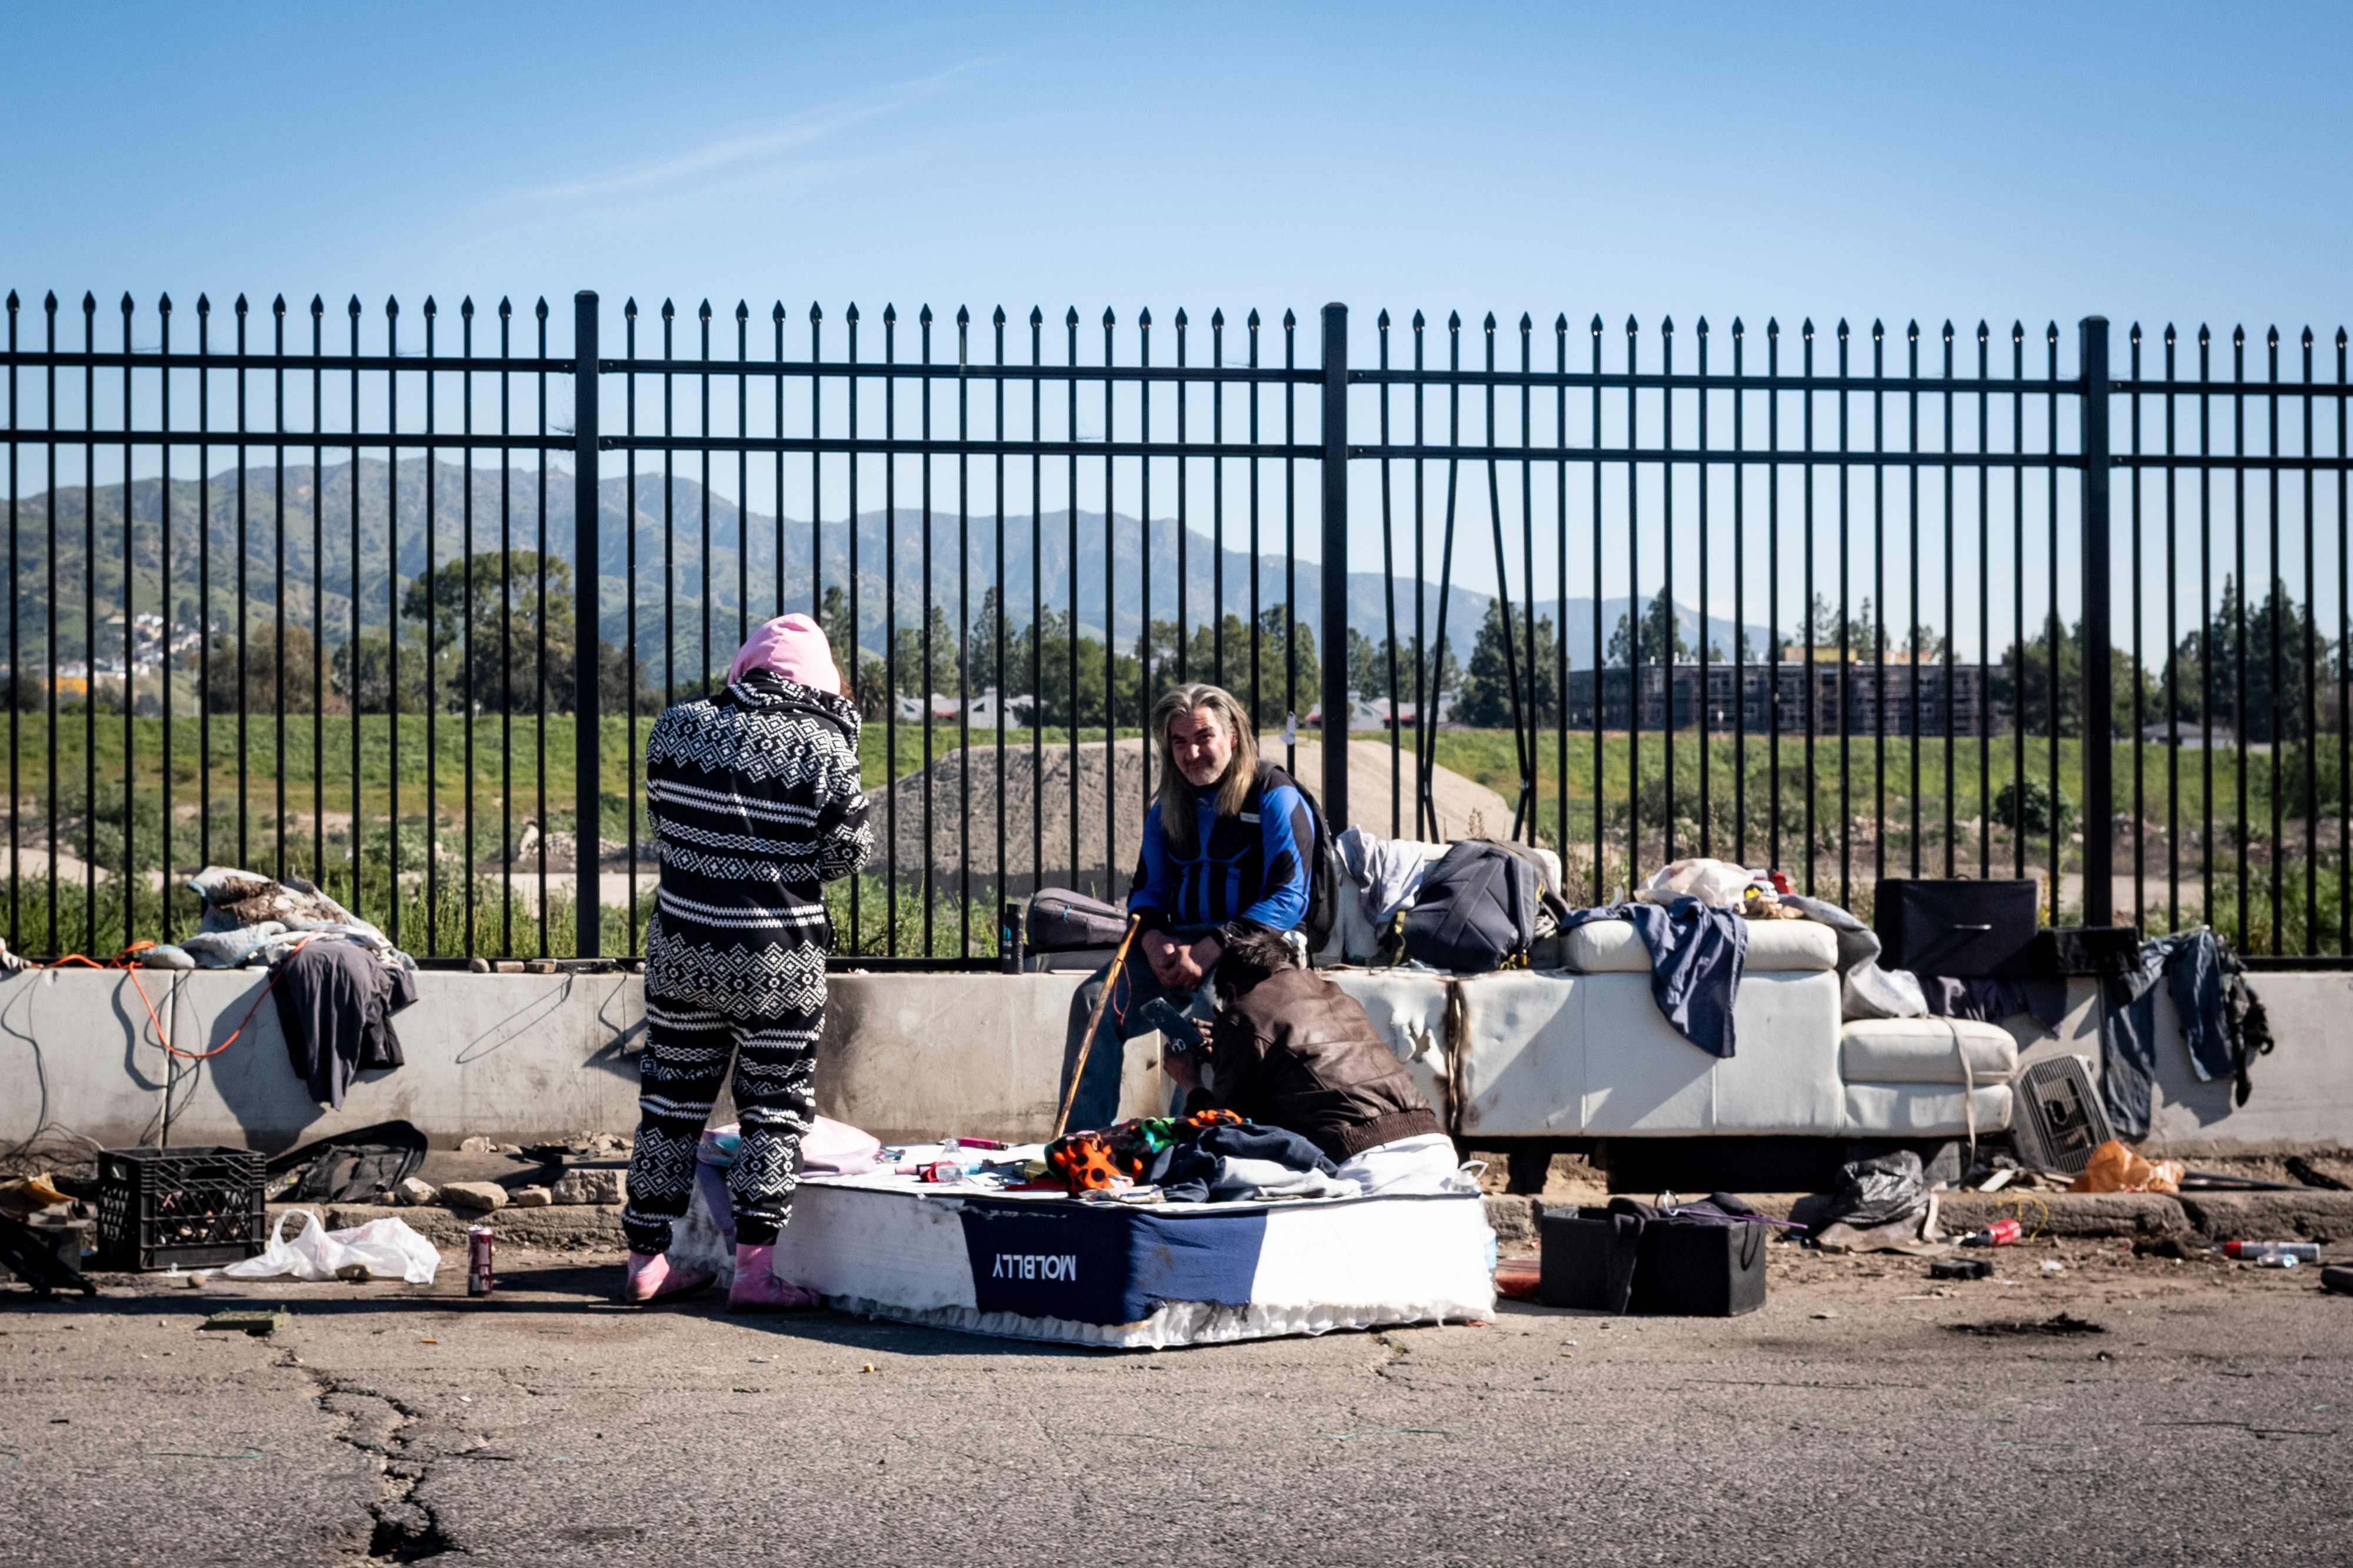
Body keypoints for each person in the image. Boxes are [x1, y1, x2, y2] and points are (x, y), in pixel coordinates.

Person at [620, 612, 872, 1309]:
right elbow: (847, 852)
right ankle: (756, 1273)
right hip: (776, 958)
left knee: (669, 1103)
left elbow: (668, 821)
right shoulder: (824, 740)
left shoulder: (675, 725)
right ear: (816, 675)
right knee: (774, 1109)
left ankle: (646, 1259)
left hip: (682, 946)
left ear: (749, 664)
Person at [1058, 682, 1318, 1133]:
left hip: (1255, 946)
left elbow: (1290, 895)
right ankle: (1082, 1140)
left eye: (1204, 738)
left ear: (1233, 735)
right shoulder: (1165, 810)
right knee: (1093, 1001)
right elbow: (1148, 891)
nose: (1192, 754)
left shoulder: (1274, 793)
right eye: (1179, 742)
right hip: (1180, 945)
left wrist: (1212, 948)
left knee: (1204, 1012)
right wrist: (1155, 943)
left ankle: (1192, 1142)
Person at [1163, 926, 1460, 1192]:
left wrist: (1190, 1081)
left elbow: (1232, 1130)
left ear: (1230, 991)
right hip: (1436, 1146)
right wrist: (1229, 1052)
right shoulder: (1340, 998)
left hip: (1364, 1163)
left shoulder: (1242, 1014)